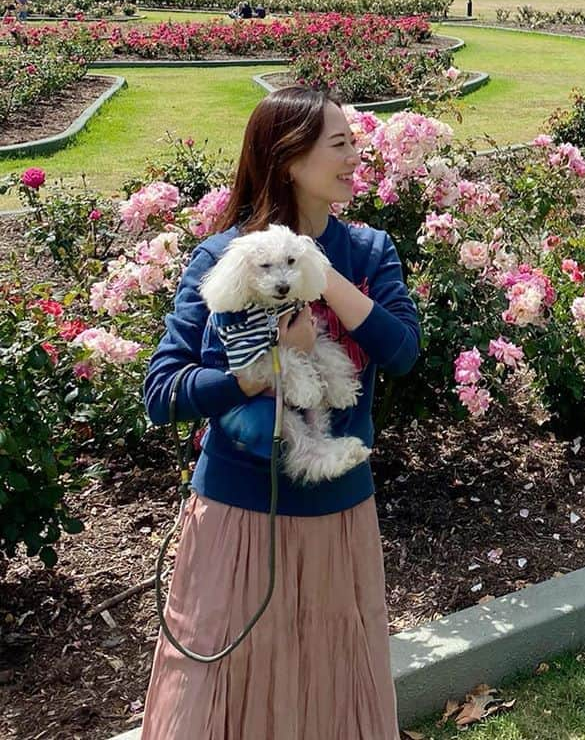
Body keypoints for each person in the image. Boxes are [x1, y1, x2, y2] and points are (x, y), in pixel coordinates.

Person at [140, 86, 420, 740]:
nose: (358, 156)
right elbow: (163, 390)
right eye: (340, 144)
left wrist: (319, 272)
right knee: (220, 696)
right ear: (291, 160)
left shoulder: (370, 252)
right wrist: (256, 372)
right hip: (237, 518)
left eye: (356, 141)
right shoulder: (222, 261)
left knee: (328, 687)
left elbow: (402, 353)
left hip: (337, 510)